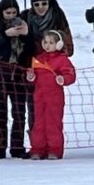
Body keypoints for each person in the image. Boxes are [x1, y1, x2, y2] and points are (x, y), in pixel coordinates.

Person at [0, 0, 33, 159]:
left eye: (13, 12)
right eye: (7, 12)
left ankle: (17, 146)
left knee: (19, 111)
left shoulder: (23, 24)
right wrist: (5, 35)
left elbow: (30, 49)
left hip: (18, 72)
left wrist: (26, 34)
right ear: (1, 11)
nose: (11, 15)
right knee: (0, 110)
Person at [25, 29, 76, 159]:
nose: (47, 45)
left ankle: (54, 149)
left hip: (55, 97)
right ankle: (37, 149)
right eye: (45, 42)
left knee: (53, 123)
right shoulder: (39, 59)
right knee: (38, 123)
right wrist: (31, 77)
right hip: (39, 95)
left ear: (58, 44)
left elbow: (71, 75)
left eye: (51, 42)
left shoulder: (62, 60)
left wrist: (63, 79)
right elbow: (35, 77)